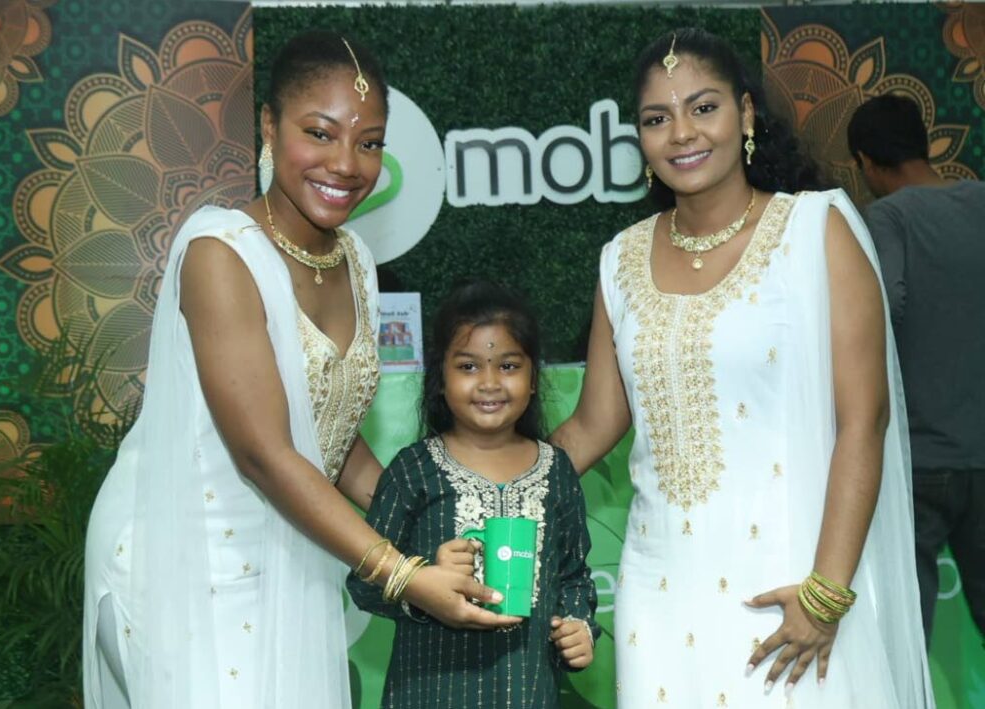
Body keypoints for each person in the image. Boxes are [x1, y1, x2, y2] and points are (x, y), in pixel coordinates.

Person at [82, 31, 518, 709]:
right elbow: (264, 452)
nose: (346, 164)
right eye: (320, 133)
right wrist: (402, 571)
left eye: (369, 142)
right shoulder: (219, 251)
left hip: (291, 544)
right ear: (268, 126)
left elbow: (330, 435)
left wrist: (433, 515)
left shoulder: (355, 262)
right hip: (184, 557)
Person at [550, 28, 933, 708]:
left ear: (747, 114)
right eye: (656, 118)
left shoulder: (816, 230)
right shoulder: (621, 258)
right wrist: (486, 488)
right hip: (660, 593)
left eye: (704, 107)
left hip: (790, 588)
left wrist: (826, 593)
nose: (681, 134)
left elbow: (864, 418)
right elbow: (593, 423)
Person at [347, 281, 599, 708]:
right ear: (440, 379)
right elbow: (364, 583)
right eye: (467, 367)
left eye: (507, 366)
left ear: (534, 378)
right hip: (428, 691)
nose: (488, 383)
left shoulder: (557, 472)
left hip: (527, 691)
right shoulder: (414, 470)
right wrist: (422, 578)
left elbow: (574, 576)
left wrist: (578, 628)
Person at [848, 94, 985, 646]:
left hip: (919, 462)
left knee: (908, 639)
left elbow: (887, 306)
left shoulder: (888, 217)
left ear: (864, 162)